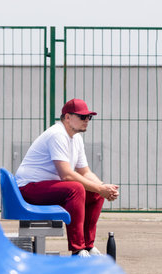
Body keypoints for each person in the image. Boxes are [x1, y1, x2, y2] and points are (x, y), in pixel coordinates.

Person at [15, 98, 119, 257]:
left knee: (95, 193)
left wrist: (104, 188)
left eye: (88, 117)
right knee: (76, 188)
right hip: (28, 188)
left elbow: (85, 172)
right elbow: (67, 175)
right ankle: (77, 249)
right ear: (67, 117)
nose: (86, 121)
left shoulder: (76, 138)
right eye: (82, 117)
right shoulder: (57, 134)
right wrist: (100, 188)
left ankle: (88, 246)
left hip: (47, 188)